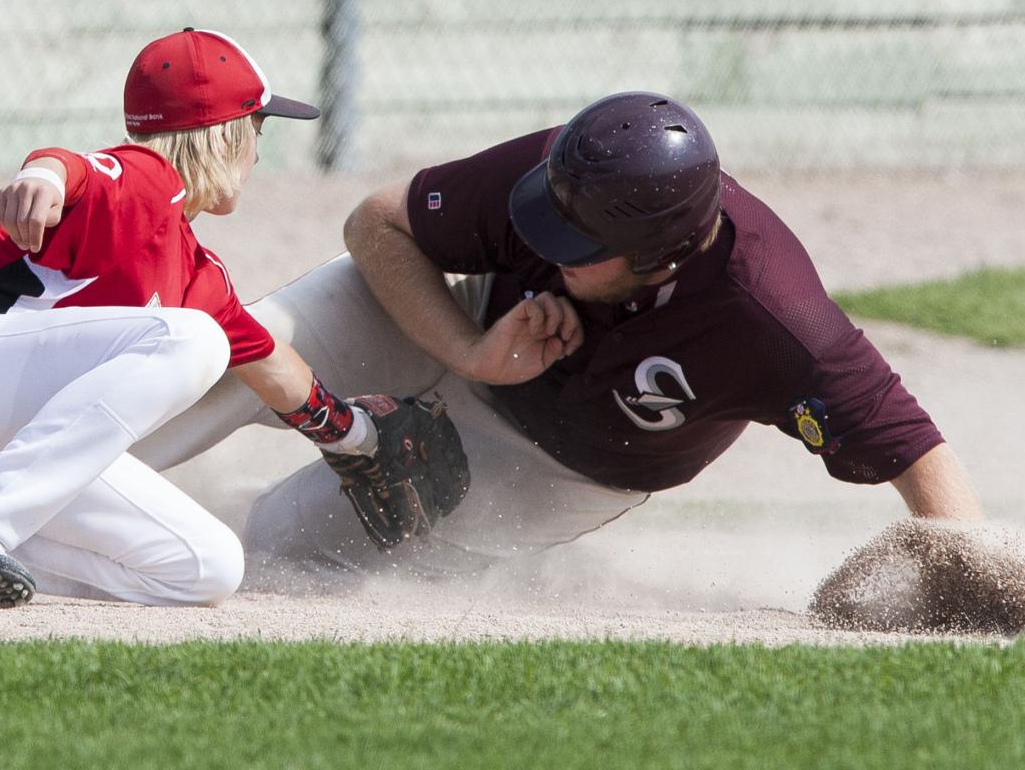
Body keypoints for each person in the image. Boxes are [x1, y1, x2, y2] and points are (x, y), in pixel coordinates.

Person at [126, 90, 985, 582]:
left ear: (663, 255)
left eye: (576, 248)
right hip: (457, 318)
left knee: (281, 551)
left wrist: (964, 592)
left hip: (560, 464)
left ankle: (143, 541)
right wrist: (468, 350)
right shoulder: (572, 170)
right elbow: (377, 224)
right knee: (241, 349)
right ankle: (40, 482)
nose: (542, 239)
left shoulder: (771, 317)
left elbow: (916, 450)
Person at [0, 28, 418, 608]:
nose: (259, 151)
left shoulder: (197, 271)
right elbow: (77, 169)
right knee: (195, 340)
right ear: (221, 135)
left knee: (207, 568)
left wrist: (357, 435)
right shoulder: (145, 181)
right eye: (257, 127)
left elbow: (272, 365)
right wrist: (41, 175)